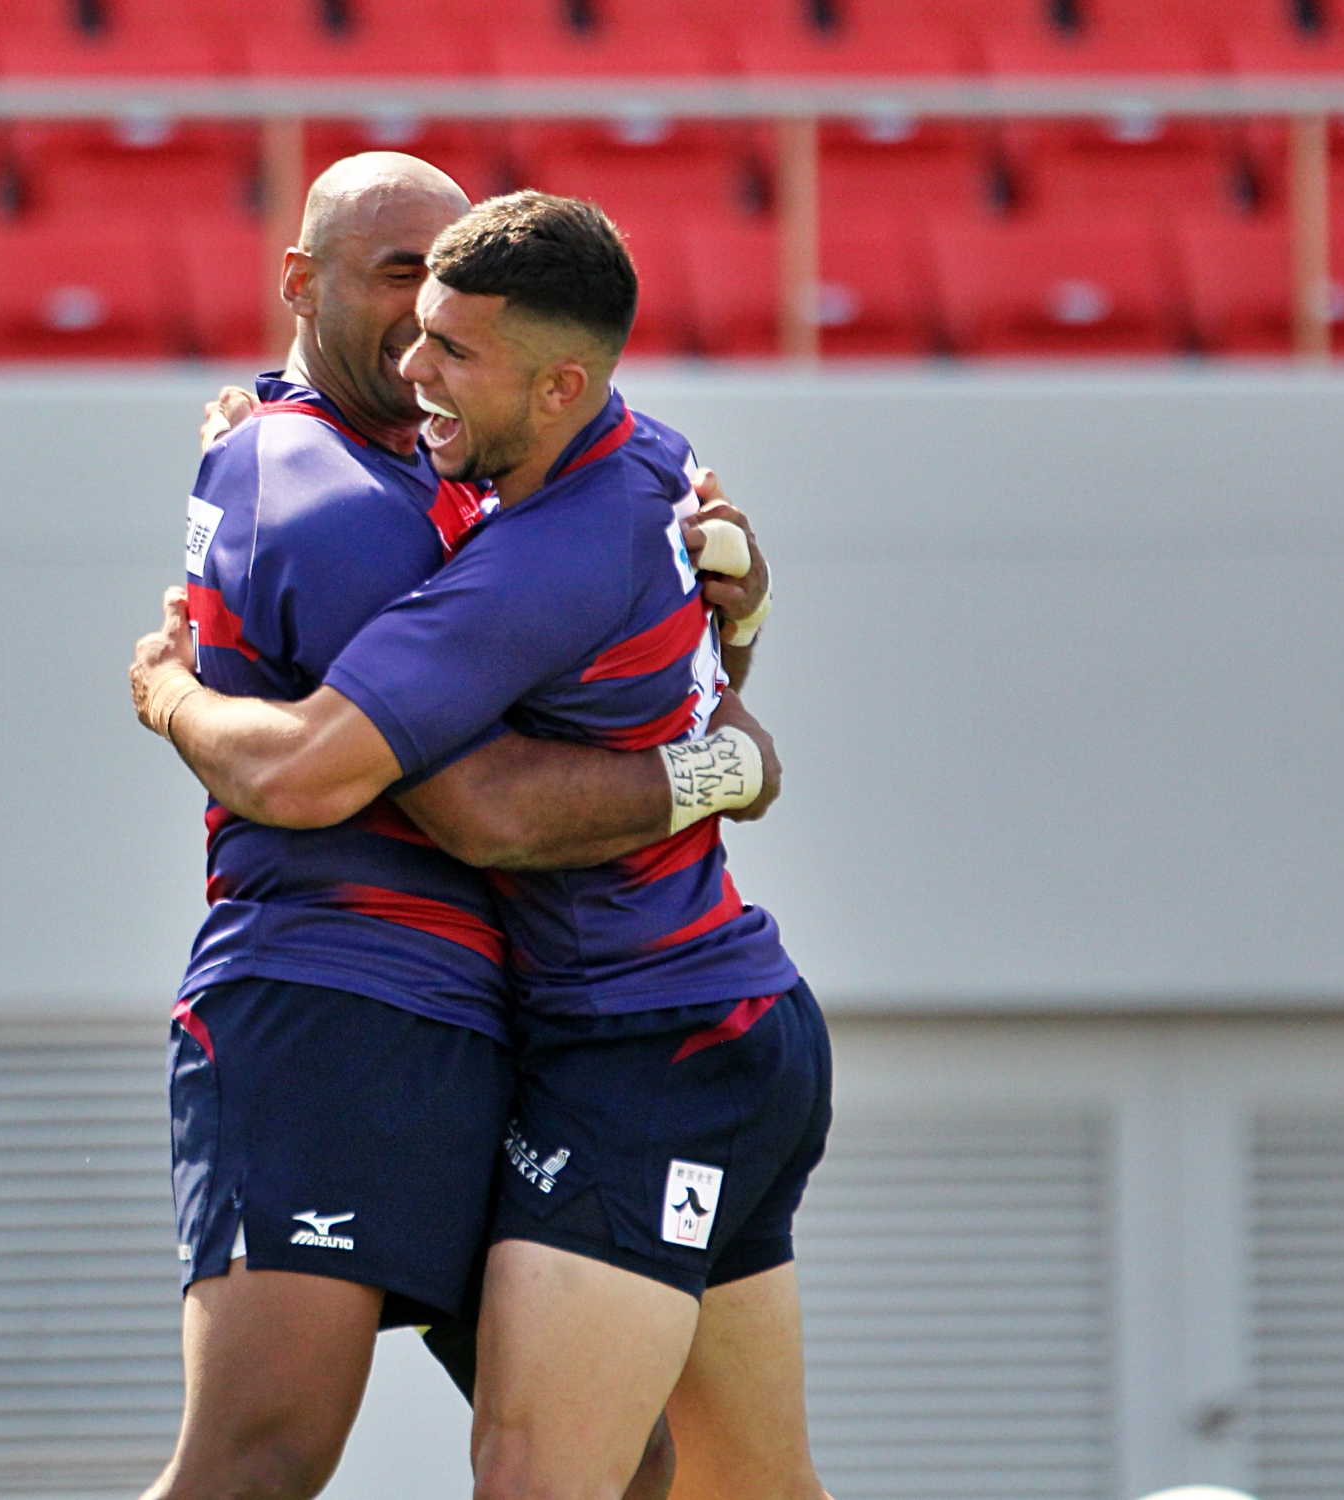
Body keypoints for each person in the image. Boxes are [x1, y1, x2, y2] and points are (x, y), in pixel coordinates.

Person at [131, 192, 830, 1500]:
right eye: (406, 294)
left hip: (645, 1037)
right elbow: (661, 645)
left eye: (449, 336)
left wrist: (166, 690)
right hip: (500, 1012)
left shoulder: (518, 533)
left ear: (557, 381)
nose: (415, 360)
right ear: (301, 283)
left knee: (554, 1474)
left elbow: (446, 801)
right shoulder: (633, 458)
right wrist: (731, 683)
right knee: (702, 1480)